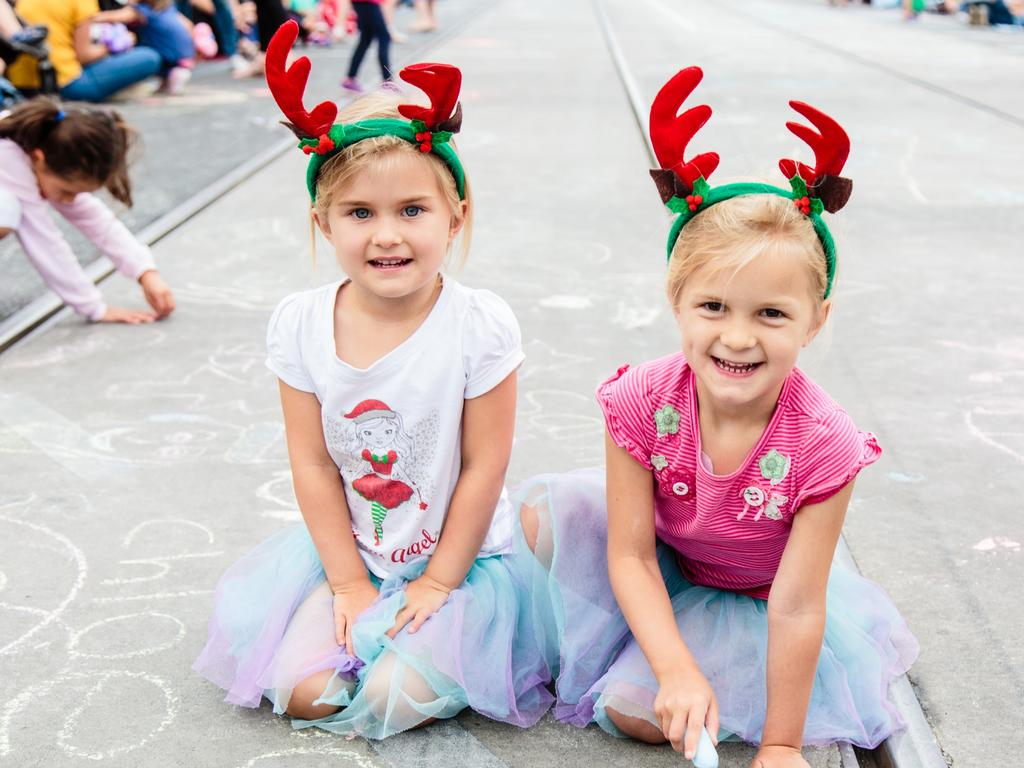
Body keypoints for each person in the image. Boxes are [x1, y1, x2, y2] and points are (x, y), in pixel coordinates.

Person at [515, 67, 918, 767]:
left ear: (816, 321)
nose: (736, 338)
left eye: (771, 313)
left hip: (755, 600)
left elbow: (796, 607)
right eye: (712, 308)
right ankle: (610, 648)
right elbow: (632, 553)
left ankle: (669, 665)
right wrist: (674, 666)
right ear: (677, 302)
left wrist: (783, 744)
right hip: (666, 563)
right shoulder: (640, 398)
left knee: (632, 713)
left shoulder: (825, 443)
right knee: (543, 523)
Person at [193, 20, 554, 738]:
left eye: (411, 210)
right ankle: (376, 624)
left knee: (392, 697)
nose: (386, 235)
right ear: (323, 223)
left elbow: (484, 466)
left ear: (455, 216)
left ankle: (467, 631)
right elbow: (313, 463)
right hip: (354, 551)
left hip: (463, 555)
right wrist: (349, 583)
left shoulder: (478, 324)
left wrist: (440, 582)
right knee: (306, 694)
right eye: (360, 213)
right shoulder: (299, 324)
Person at [0, 98, 175, 323]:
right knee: (6, 210)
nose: (69, 200)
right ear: (38, 158)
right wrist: (94, 307)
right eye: (65, 191)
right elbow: (46, 244)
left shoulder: (37, 147)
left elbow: (95, 219)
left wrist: (145, 271)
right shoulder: (9, 158)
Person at [5, 0, 161, 102]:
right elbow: (84, 55)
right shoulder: (82, 1)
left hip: (20, 83)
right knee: (149, 57)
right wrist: (116, 45)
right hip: (64, 85)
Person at [342, 0, 390, 93]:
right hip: (368, 2)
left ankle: (350, 77)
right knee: (384, 37)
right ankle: (388, 81)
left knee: (366, 39)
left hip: (364, 2)